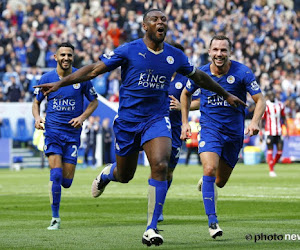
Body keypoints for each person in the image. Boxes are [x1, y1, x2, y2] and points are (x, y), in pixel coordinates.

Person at [35, 10, 245, 246]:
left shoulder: (175, 56)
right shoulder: (128, 50)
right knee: (125, 175)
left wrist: (225, 93)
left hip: (157, 119)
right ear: (145, 26)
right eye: (155, 20)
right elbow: (94, 70)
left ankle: (151, 228)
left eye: (164, 20)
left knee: (161, 165)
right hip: (127, 122)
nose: (160, 23)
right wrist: (61, 82)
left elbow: (200, 77)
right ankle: (107, 174)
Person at [180, 35, 266, 239]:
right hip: (210, 129)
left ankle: (207, 181)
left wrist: (254, 122)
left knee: (219, 182)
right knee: (209, 168)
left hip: (234, 134)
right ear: (209, 52)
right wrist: (184, 122)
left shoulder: (242, 72)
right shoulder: (199, 73)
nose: (219, 54)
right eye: (215, 50)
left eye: (223, 50)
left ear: (229, 53)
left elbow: (260, 100)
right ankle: (212, 222)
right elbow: (185, 94)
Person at [32, 42, 98, 230]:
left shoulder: (81, 77)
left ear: (73, 57)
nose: (66, 58)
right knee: (57, 174)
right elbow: (35, 103)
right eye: (63, 55)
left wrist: (82, 117)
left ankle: (58, 190)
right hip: (52, 131)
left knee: (67, 182)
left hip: (72, 134)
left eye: (69, 55)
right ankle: (55, 218)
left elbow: (94, 102)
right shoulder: (47, 78)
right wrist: (37, 118)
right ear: (55, 57)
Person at [158, 42, 200, 223]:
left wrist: (183, 106)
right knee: (157, 167)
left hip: (175, 129)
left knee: (168, 171)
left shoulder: (186, 79)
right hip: (154, 124)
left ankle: (158, 205)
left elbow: (199, 101)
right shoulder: (157, 74)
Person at [261, 90, 288, 177]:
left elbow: (284, 117)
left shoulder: (280, 105)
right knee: (270, 150)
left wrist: (286, 129)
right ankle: (271, 170)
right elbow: (262, 119)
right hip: (269, 132)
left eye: (273, 94)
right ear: (268, 96)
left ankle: (272, 164)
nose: (272, 96)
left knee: (280, 152)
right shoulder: (266, 105)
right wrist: (261, 131)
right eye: (270, 94)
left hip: (279, 131)